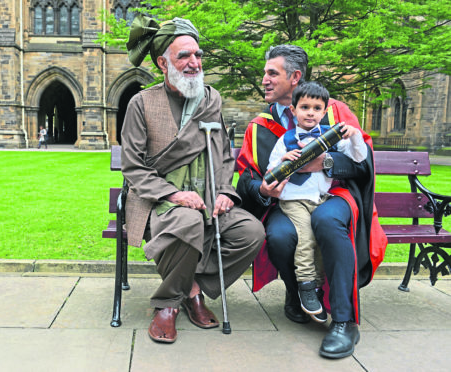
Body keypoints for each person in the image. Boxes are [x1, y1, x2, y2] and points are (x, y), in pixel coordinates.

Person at [236, 44, 387, 359]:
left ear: (295, 77)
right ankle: (299, 293)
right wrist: (263, 191)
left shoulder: (335, 112)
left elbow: (364, 162)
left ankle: (345, 321)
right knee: (278, 236)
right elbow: (245, 178)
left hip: (334, 193)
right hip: (289, 201)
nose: (263, 79)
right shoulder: (259, 127)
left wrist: (326, 163)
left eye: (271, 73)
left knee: (326, 221)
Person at [122, 15, 264, 344]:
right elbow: (132, 165)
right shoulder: (141, 104)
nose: (194, 62)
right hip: (158, 202)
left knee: (251, 232)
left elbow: (222, 155)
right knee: (188, 222)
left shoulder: (211, 100)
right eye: (183, 55)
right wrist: (174, 195)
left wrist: (226, 191)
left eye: (198, 55)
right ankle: (168, 304)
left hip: (207, 198)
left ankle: (194, 287)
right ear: (162, 62)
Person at [267, 81, 368, 320]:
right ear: (293, 110)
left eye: (316, 108)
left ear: (324, 112)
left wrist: (354, 137)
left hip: (320, 199)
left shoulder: (332, 137)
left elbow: (359, 157)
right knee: (305, 239)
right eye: (304, 107)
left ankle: (316, 287)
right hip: (293, 201)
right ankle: (305, 285)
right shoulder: (285, 140)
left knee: (323, 240)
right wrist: (284, 160)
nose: (310, 112)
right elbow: (270, 172)